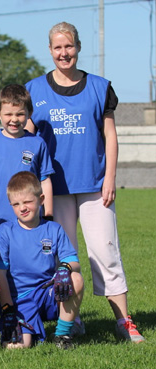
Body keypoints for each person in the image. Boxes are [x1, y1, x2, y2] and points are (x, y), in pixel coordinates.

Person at [25, 21, 144, 343]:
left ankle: (124, 321)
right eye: (58, 47)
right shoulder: (33, 90)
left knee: (106, 252)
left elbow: (110, 135)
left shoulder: (100, 87)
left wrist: (110, 178)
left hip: (94, 186)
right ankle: (72, 319)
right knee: (65, 258)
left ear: (78, 48)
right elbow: (28, 142)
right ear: (50, 51)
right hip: (54, 190)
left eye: (69, 46)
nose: (64, 53)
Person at [0, 171, 84, 349]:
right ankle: (17, 327)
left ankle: (62, 335)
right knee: (19, 347)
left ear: (41, 199)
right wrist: (7, 310)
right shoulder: (4, 232)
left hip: (48, 293)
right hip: (19, 300)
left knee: (76, 279)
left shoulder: (54, 229)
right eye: (16, 204)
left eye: (27, 202)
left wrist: (64, 268)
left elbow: (74, 262)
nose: (22, 208)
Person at [0, 84, 54, 232]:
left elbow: (45, 180)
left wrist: (48, 214)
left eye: (19, 114)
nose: (14, 119)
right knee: (0, 255)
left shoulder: (37, 143)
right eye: (8, 114)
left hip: (32, 219)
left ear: (30, 113)